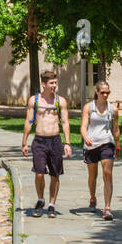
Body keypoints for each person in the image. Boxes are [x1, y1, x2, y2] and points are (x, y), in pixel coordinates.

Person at [21, 69, 71, 217]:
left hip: (55, 141)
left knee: (55, 175)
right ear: (44, 84)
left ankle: (51, 204)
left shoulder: (60, 101)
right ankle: (40, 199)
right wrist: (24, 142)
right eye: (51, 83)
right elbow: (29, 121)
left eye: (55, 83)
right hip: (39, 141)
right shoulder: (34, 100)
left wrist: (67, 143)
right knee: (39, 174)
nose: (54, 86)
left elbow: (65, 122)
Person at [80, 81, 119, 220]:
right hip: (91, 145)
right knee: (92, 176)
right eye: (102, 92)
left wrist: (118, 144)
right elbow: (83, 126)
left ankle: (107, 208)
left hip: (107, 142)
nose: (105, 95)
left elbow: (115, 128)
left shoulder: (113, 109)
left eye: (107, 92)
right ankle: (92, 198)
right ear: (96, 92)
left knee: (107, 173)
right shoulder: (88, 107)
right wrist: (85, 137)